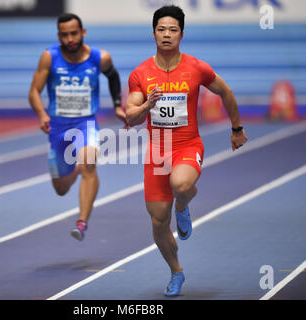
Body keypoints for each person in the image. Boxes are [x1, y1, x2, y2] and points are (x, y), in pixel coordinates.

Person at [126, 5, 247, 296]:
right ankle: (176, 271)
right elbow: (130, 117)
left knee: (180, 184)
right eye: (161, 29)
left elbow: (225, 92)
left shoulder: (196, 67)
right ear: (153, 33)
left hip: (187, 144)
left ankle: (183, 203)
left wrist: (236, 128)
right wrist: (146, 105)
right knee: (157, 223)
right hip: (158, 152)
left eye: (173, 30)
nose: (166, 35)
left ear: (182, 34)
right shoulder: (140, 73)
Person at [28, 13, 126, 241]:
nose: (70, 39)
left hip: (86, 122)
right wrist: (42, 114)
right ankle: (74, 170)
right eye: (65, 35)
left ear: (83, 33)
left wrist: (118, 105)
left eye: (74, 33)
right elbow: (34, 91)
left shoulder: (99, 58)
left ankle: (82, 222)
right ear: (58, 36)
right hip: (58, 127)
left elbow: (113, 77)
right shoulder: (49, 57)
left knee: (90, 163)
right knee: (61, 189)